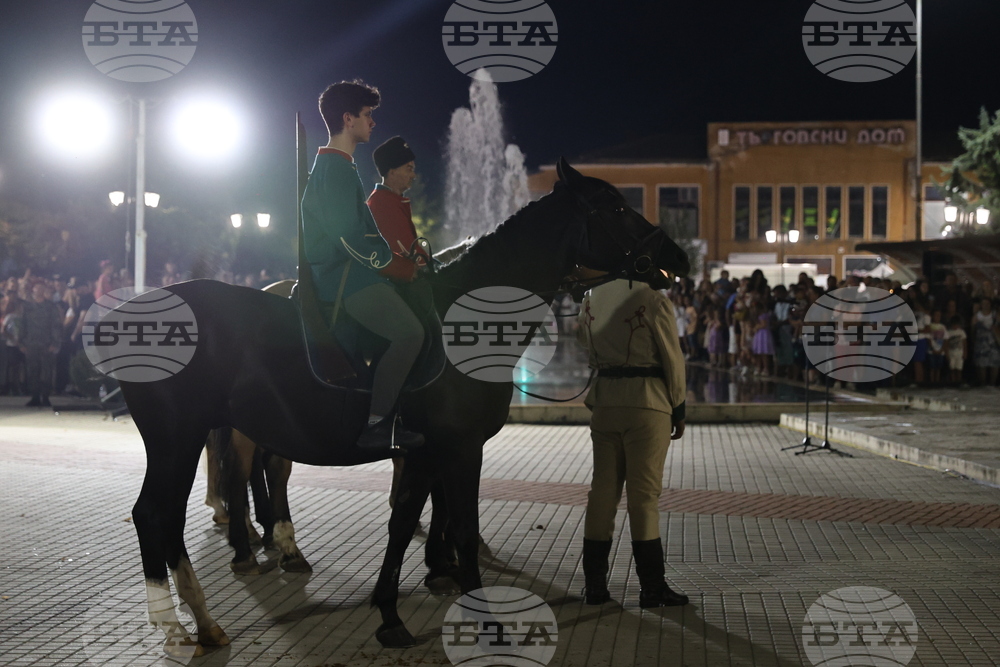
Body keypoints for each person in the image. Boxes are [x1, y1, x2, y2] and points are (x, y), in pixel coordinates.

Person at [300, 80, 424, 452]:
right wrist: (396, 267)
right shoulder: (335, 169)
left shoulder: (340, 166)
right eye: (368, 116)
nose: (372, 123)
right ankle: (376, 425)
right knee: (410, 335)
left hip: (354, 274)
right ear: (347, 118)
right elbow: (348, 238)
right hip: (345, 280)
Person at [576, 274, 689, 608]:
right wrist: (678, 406)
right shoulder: (652, 300)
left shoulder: (590, 298)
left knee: (602, 494)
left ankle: (595, 587)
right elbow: (672, 357)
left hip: (606, 401)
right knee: (644, 497)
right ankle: (652, 588)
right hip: (647, 402)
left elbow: (585, 345)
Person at [20, 282, 62, 406]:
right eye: (36, 287)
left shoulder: (50, 306)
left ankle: (45, 396)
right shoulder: (27, 307)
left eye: (41, 288)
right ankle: (35, 396)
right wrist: (21, 343)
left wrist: (55, 342)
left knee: (46, 371)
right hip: (31, 343)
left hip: (46, 343)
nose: (38, 290)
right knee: (32, 371)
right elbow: (23, 325)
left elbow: (56, 325)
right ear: (33, 289)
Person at [946, 316, 968, 386]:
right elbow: (946, 344)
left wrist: (965, 352)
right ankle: (953, 382)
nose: (955, 326)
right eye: (954, 324)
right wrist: (947, 354)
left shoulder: (961, 332)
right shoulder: (948, 332)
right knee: (952, 368)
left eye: (957, 324)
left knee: (959, 368)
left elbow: (964, 343)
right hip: (951, 352)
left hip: (959, 353)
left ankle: (959, 382)